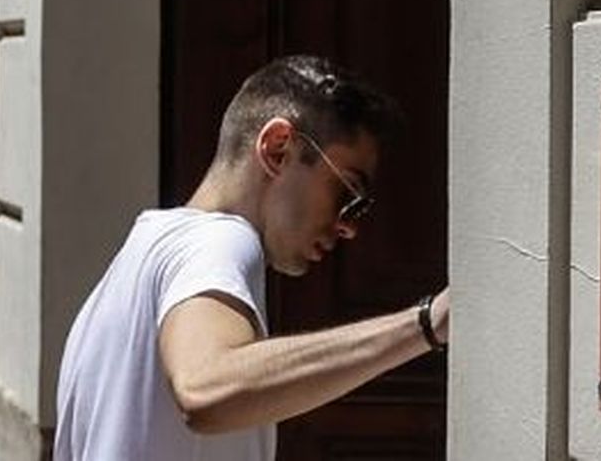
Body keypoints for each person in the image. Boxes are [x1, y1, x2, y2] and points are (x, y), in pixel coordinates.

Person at [54, 55, 450, 461]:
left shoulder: (138, 255)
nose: (349, 226)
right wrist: (426, 324)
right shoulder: (218, 242)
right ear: (278, 150)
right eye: (347, 193)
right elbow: (206, 388)